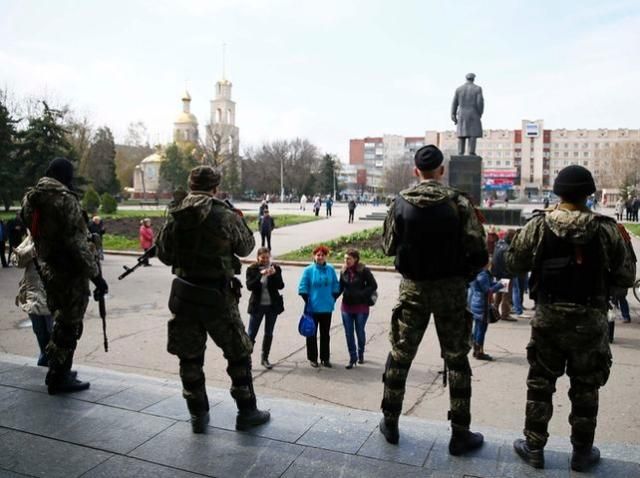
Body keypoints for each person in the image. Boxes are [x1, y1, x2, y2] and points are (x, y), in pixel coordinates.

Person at [506, 165, 636, 472]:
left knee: (540, 384)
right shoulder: (606, 229)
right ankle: (582, 452)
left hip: (548, 318)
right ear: (589, 194)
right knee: (586, 386)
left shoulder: (538, 226)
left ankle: (534, 447)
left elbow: (513, 262)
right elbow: (627, 275)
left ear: (556, 192)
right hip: (590, 320)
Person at [380, 144, 488, 454]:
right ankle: (460, 432)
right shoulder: (459, 203)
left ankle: (390, 422)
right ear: (441, 170)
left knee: (400, 355)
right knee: (456, 358)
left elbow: (388, 246)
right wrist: (462, 275)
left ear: (416, 171)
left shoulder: (399, 203)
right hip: (451, 290)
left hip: (413, 289)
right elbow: (478, 250)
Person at [155, 165, 270, 434]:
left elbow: (164, 254)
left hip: (184, 295)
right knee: (238, 354)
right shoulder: (223, 214)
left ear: (191, 185)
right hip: (217, 297)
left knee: (189, 356)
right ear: (215, 187)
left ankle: (198, 414)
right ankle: (246, 411)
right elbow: (246, 247)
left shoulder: (177, 214)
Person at [21, 157, 107, 394]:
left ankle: (58, 370)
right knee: (69, 325)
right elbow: (77, 244)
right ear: (64, 176)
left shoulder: (31, 197)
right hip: (70, 272)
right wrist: (96, 277)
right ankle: (59, 376)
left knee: (61, 321)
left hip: (49, 268)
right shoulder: (64, 199)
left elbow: (31, 227)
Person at [13, 234, 54, 367]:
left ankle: (57, 364)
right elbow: (16, 261)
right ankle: (44, 355)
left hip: (53, 291)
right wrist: (32, 249)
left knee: (53, 331)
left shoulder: (60, 233)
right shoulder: (32, 237)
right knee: (39, 329)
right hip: (33, 292)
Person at [297, 245, 340, 368]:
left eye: (322, 255)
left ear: (326, 256)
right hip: (313, 308)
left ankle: (325, 358)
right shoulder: (308, 270)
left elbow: (336, 286)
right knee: (311, 333)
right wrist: (308, 301)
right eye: (318, 255)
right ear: (314, 256)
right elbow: (302, 288)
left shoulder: (330, 269)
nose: (320, 257)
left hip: (327, 307)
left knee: (325, 334)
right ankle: (313, 358)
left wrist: (333, 298)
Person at [245, 247, 285, 369]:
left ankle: (265, 358)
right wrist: (260, 275)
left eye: (267, 257)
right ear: (258, 258)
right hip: (257, 306)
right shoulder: (252, 269)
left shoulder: (276, 268)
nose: (265, 260)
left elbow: (281, 286)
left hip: (272, 306)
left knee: (269, 332)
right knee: (251, 333)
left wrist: (273, 275)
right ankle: (246, 359)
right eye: (263, 258)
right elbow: (250, 286)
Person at [339, 249, 377, 369]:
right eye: (345, 258)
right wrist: (331, 297)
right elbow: (340, 287)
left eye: (348, 259)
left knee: (360, 332)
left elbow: (373, 285)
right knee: (349, 334)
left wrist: (361, 294)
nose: (346, 261)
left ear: (355, 259)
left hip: (361, 307)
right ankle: (352, 358)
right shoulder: (343, 270)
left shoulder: (363, 270)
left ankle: (361, 353)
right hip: (346, 307)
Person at [467, 262, 503, 361]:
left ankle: (476, 350)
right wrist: (500, 285)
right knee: (481, 329)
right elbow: (488, 290)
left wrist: (497, 284)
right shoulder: (483, 275)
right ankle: (479, 352)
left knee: (478, 327)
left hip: (476, 302)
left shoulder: (476, 273)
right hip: (482, 304)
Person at [451, 73, 484, 155]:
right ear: (473, 79)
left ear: (466, 79)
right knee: (473, 134)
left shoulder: (459, 89)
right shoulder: (477, 88)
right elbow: (480, 102)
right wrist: (479, 113)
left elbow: (454, 103)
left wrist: (453, 114)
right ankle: (471, 152)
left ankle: (460, 152)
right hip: (473, 112)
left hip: (462, 113)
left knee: (462, 133)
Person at [491, 230, 516, 321]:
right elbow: (510, 263)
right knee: (506, 295)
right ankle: (505, 314)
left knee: (499, 293)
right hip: (506, 274)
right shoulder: (507, 248)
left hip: (498, 273)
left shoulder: (499, 244)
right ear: (511, 237)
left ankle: (495, 310)